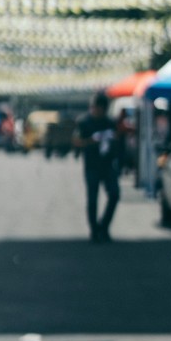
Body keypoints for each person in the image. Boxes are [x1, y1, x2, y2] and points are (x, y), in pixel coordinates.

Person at [73, 91, 121, 243]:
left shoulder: (110, 122)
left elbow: (118, 139)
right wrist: (91, 141)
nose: (95, 110)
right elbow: (76, 141)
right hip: (91, 165)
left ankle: (104, 226)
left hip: (107, 164)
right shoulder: (84, 122)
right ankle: (94, 230)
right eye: (93, 107)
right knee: (92, 199)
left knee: (114, 194)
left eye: (98, 108)